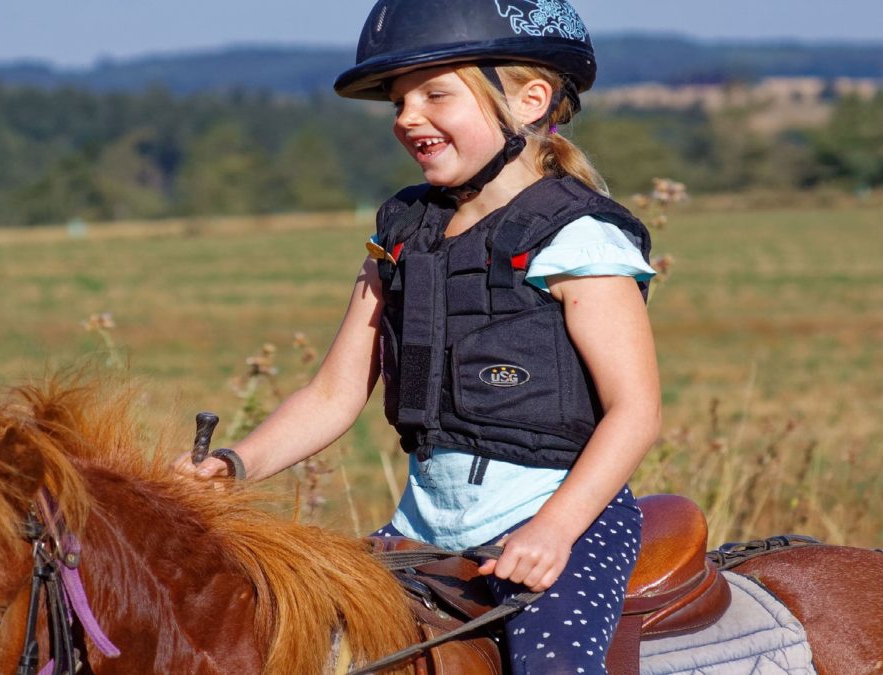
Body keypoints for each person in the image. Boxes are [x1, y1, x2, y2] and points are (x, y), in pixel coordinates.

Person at [176, 1, 660, 672]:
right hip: (425, 526)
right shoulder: (402, 235)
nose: (407, 117)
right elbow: (332, 394)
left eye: (435, 92)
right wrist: (234, 467)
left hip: (564, 517)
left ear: (528, 100)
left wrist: (554, 528)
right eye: (398, 100)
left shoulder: (578, 237)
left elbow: (635, 412)